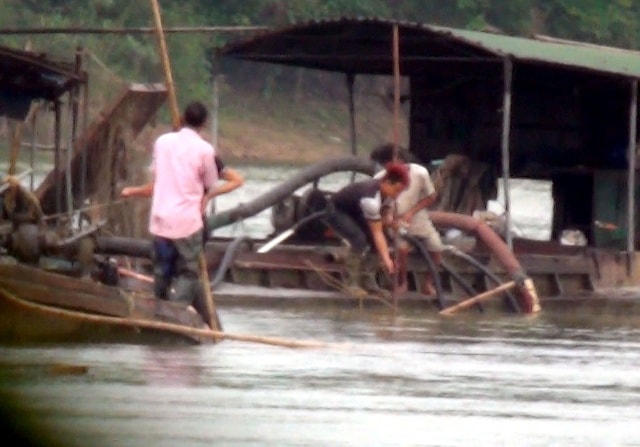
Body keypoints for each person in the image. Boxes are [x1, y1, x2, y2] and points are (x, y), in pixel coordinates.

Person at [121, 101, 218, 325]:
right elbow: (210, 183)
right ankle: (174, 312)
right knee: (188, 272)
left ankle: (159, 310)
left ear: (182, 118)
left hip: (161, 220)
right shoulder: (205, 150)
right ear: (204, 123)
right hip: (187, 223)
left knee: (161, 269)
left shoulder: (162, 142)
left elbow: (156, 178)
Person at [325, 162, 410, 298]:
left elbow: (385, 213)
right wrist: (387, 260)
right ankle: (351, 283)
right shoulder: (370, 199)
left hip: (357, 212)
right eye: (396, 190)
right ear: (387, 182)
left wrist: (391, 221)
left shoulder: (387, 195)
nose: (397, 195)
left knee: (383, 240)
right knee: (359, 239)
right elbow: (377, 233)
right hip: (337, 211)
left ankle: (368, 281)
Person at [370, 143, 445, 295]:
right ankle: (403, 282)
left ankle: (428, 283)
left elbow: (431, 197)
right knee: (402, 249)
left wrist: (411, 212)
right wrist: (389, 217)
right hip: (396, 222)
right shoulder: (380, 178)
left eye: (387, 163)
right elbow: (380, 205)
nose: (385, 167)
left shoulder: (420, 173)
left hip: (419, 219)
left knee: (436, 247)